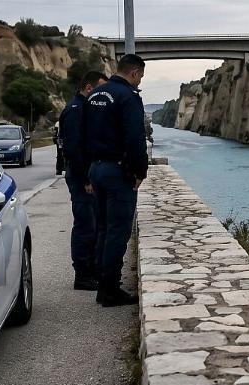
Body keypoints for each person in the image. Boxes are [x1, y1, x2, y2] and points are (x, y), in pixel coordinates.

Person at [84, 54, 148, 307]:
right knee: (117, 233)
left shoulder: (94, 96)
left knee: (102, 229)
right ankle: (110, 290)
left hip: (96, 169)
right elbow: (135, 138)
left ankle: (103, 286)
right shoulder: (127, 97)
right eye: (140, 76)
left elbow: (83, 136)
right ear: (134, 73)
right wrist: (139, 171)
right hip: (117, 173)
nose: (139, 81)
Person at [59, 70, 108, 291]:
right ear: (89, 88)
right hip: (82, 178)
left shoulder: (85, 108)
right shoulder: (74, 110)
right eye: (100, 89)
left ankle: (93, 271)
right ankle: (83, 275)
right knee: (85, 225)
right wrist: (85, 179)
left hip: (89, 176)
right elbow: (72, 149)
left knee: (94, 224)